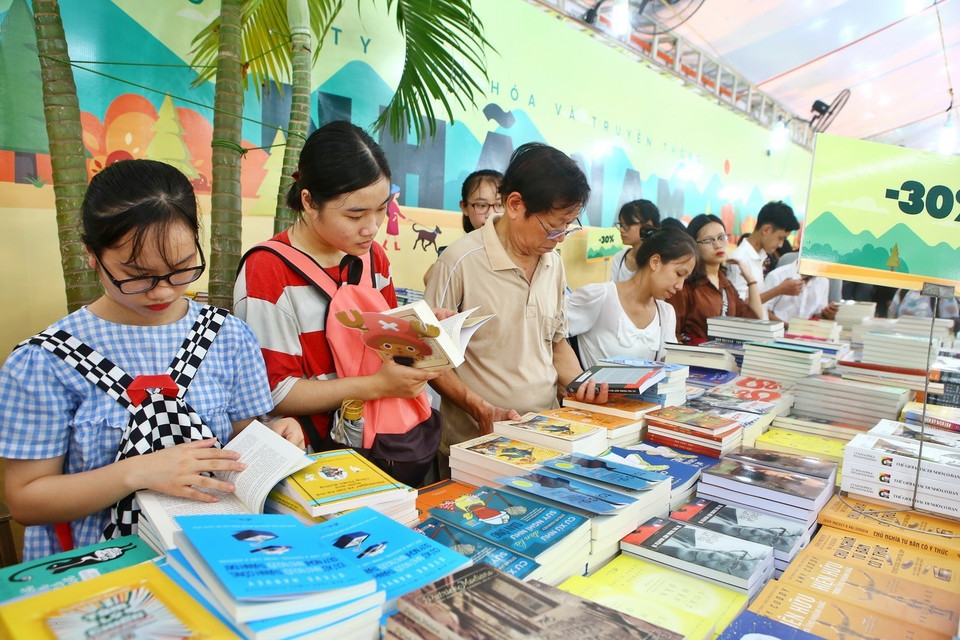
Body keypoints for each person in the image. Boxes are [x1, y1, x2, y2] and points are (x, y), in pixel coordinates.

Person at [0, 159, 303, 561]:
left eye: (180, 270)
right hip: (100, 568)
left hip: (216, 553)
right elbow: (26, 500)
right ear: (92, 254)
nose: (161, 291)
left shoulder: (227, 336)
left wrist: (273, 435)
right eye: (137, 274)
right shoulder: (43, 362)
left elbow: (242, 439)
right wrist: (137, 472)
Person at [234, 121, 441, 486]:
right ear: (309, 202)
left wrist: (427, 331)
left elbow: (386, 347)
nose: (372, 227)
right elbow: (275, 393)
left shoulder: (374, 259)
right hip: (309, 463)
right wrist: (376, 386)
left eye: (381, 209)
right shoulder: (267, 270)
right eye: (355, 215)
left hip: (378, 447)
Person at [424, 143, 607, 475]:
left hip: (548, 437)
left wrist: (581, 385)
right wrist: (479, 408)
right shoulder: (459, 261)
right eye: (554, 225)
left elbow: (556, 342)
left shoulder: (553, 262)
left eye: (569, 225)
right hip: (476, 445)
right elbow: (427, 357)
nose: (561, 236)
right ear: (515, 204)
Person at [568, 228, 698, 368]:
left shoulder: (665, 313)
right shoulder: (601, 296)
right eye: (679, 274)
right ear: (655, 262)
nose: (680, 286)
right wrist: (574, 380)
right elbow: (548, 332)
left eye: (686, 278)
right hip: (595, 389)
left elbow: (667, 369)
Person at [668, 214, 763, 343]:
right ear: (693, 245)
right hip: (694, 358)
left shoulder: (726, 284)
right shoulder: (684, 285)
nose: (718, 245)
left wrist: (751, 282)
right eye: (708, 240)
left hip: (724, 358)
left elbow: (755, 324)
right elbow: (672, 334)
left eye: (722, 237)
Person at [726, 201, 802, 312]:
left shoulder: (760, 256)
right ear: (766, 230)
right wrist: (779, 290)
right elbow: (739, 304)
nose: (781, 245)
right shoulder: (740, 258)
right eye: (780, 238)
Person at [763, 253, 838, 327]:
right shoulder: (777, 276)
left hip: (806, 334)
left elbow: (816, 315)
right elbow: (762, 311)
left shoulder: (823, 281)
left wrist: (826, 315)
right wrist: (789, 327)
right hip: (777, 332)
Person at [609, 199, 660, 282]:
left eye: (627, 225)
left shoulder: (658, 261)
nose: (621, 230)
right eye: (621, 225)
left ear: (648, 226)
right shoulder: (619, 257)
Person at [888, 289, 960, 332]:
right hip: (902, 344)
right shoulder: (903, 290)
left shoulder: (944, 293)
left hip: (930, 349)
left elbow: (949, 329)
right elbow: (894, 319)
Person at [460, 169, 504, 234]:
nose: (491, 214)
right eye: (482, 205)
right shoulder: (458, 244)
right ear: (465, 207)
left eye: (499, 205)